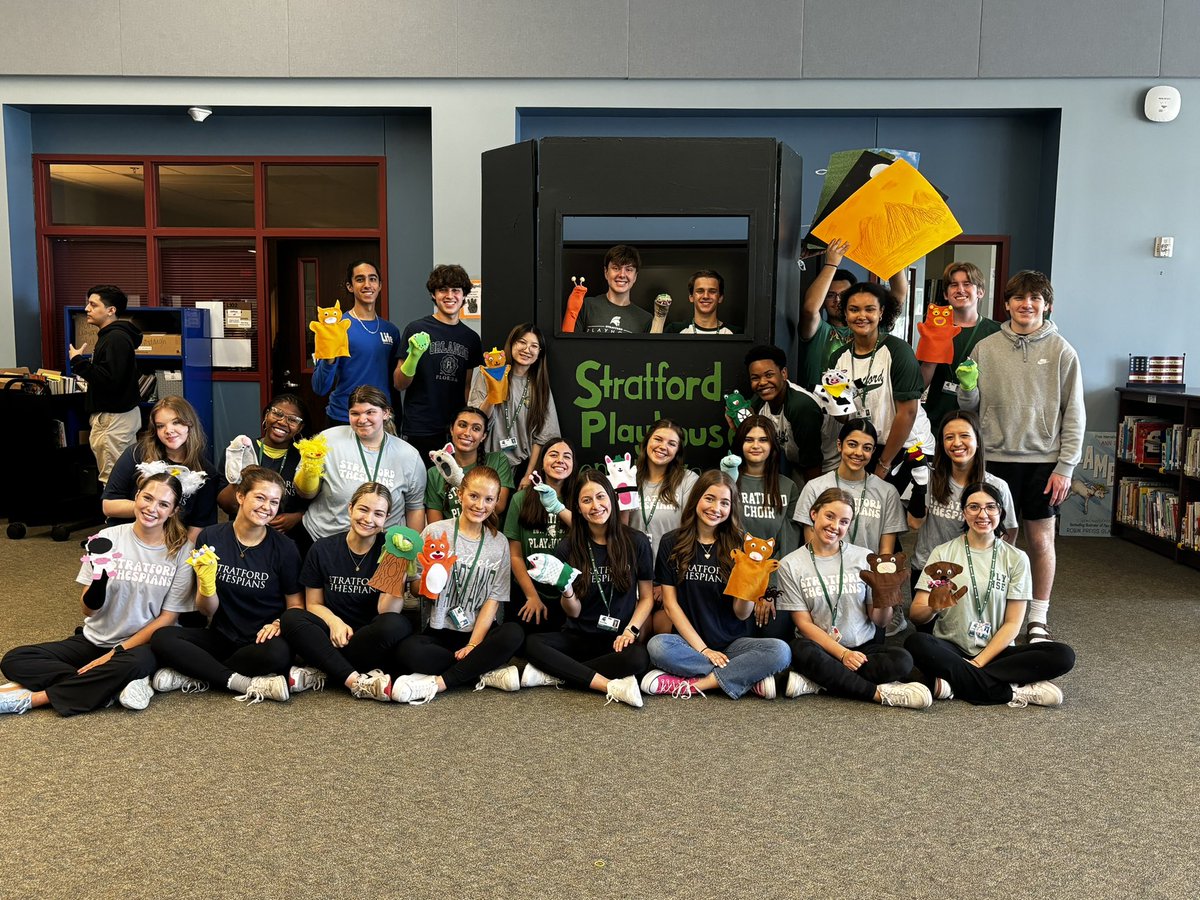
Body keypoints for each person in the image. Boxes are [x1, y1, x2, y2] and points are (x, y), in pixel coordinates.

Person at [957, 270, 1085, 643]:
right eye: (1018, 298)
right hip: (994, 459)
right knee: (998, 541)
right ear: (1007, 304)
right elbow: (970, 405)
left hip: (1044, 463)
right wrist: (966, 388)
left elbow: (1074, 412)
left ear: (1046, 305)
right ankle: (999, 613)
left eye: (1035, 299)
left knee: (1041, 541)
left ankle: (1037, 619)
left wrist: (1066, 467)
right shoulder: (985, 347)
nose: (1026, 305)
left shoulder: (1062, 350)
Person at [0, 472, 194, 716]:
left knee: (136, 663)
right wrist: (99, 583)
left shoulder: (182, 550)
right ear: (136, 496)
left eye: (163, 504)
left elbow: (168, 619)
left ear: (174, 511)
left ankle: (34, 699)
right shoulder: (106, 539)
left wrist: (115, 653)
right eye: (147, 498)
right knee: (16, 659)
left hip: (139, 646)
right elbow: (88, 609)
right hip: (96, 638)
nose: (152, 508)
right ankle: (107, 687)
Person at [906, 483, 1076, 706]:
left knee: (1063, 655)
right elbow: (916, 615)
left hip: (997, 650)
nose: (982, 514)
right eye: (974, 507)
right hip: (951, 647)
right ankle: (1012, 692)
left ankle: (955, 684)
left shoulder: (1016, 558)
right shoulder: (943, 552)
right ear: (964, 513)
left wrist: (978, 663)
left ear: (1000, 512)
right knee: (915, 643)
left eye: (990, 507)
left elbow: (1013, 623)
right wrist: (932, 607)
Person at [150, 467, 303, 704]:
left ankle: (197, 673)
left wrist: (278, 623)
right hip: (221, 636)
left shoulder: (286, 548)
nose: (267, 507)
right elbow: (206, 610)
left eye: (274, 502)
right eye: (260, 497)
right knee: (163, 638)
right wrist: (207, 586)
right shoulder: (210, 538)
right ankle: (240, 681)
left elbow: (295, 605)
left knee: (280, 654)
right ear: (241, 496)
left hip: (260, 641)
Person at [775, 488, 931, 709]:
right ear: (813, 514)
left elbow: (879, 621)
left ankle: (819, 683)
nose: (835, 526)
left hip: (863, 649)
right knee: (800, 651)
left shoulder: (863, 557)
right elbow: (803, 623)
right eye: (829, 516)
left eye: (844, 521)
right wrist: (842, 654)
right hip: (822, 648)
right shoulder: (790, 564)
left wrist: (886, 597)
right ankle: (878, 693)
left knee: (903, 660)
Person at [642, 472, 791, 700]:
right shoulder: (671, 542)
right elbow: (671, 606)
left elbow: (742, 615)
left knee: (781, 651)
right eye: (709, 498)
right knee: (657, 646)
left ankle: (698, 683)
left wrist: (749, 587)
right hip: (690, 644)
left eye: (724, 502)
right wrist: (704, 650)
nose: (715, 508)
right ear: (696, 499)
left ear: (732, 508)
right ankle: (744, 678)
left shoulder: (743, 545)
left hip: (734, 644)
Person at [387, 466, 524, 704]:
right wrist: (429, 585)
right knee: (407, 651)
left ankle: (440, 682)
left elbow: (493, 600)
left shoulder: (499, 542)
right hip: (440, 632)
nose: (480, 505)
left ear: (495, 503)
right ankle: (482, 672)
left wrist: (473, 644)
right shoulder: (434, 531)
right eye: (474, 496)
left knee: (514, 634)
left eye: (489, 499)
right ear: (460, 495)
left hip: (479, 635)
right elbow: (414, 588)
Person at [520, 470, 652, 707]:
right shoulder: (568, 547)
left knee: (640, 658)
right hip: (579, 637)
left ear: (612, 499)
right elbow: (573, 612)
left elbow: (647, 599)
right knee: (532, 644)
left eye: (601, 497)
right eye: (586, 500)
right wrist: (566, 588)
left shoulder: (637, 542)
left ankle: (558, 675)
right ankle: (608, 684)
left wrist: (630, 631)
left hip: (617, 640)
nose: (596, 506)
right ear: (578, 508)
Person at [279, 482, 414, 701]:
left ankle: (326, 668)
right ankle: (356, 680)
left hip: (367, 639)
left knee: (396, 624)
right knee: (291, 618)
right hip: (330, 635)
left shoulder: (391, 551)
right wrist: (334, 622)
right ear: (350, 508)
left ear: (387, 518)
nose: (369, 519)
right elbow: (313, 604)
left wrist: (398, 573)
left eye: (378, 514)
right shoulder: (323, 548)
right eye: (363, 509)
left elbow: (387, 612)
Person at [829, 281, 933, 483]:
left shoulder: (898, 351)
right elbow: (845, 417)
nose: (861, 316)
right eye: (854, 309)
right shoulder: (838, 358)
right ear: (845, 313)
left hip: (907, 447)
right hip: (867, 447)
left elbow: (908, 412)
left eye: (870, 309)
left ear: (881, 313)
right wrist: (835, 402)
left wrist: (883, 465)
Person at [301, 385, 426, 547]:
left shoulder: (409, 456)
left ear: (386, 413)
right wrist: (309, 469)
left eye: (370, 412)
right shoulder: (327, 440)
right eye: (355, 413)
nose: (362, 419)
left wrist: (411, 551)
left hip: (383, 546)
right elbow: (305, 494)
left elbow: (414, 507)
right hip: (324, 539)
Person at [910, 410, 1017, 589]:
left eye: (965, 436)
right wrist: (920, 486)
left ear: (977, 440)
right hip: (928, 569)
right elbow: (914, 523)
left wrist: (996, 568)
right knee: (922, 617)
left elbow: (1007, 533)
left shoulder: (997, 486)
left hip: (975, 572)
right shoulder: (928, 478)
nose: (957, 443)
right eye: (949, 437)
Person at [392, 264, 484, 462]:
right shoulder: (416, 328)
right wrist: (413, 356)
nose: (449, 295)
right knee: (417, 487)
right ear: (434, 294)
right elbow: (399, 383)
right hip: (419, 427)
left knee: (450, 488)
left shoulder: (471, 338)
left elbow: (466, 387)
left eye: (455, 290)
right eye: (443, 290)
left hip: (454, 431)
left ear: (464, 295)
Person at [102, 395, 223, 544]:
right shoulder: (137, 454)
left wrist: (178, 559)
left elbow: (198, 526)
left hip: (173, 545)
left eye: (176, 422)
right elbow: (109, 506)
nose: (168, 430)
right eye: (160, 426)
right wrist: (152, 509)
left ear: (189, 424)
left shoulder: (205, 472)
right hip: (128, 540)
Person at [797, 238, 908, 391]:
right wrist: (832, 263)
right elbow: (810, 309)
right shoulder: (819, 331)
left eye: (843, 295)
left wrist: (891, 253)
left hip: (862, 405)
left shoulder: (867, 327)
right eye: (830, 295)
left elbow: (899, 294)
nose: (837, 300)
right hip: (820, 407)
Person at [730, 416, 800, 641]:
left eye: (763, 440)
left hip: (773, 584)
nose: (756, 445)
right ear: (740, 444)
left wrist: (768, 591)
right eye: (749, 439)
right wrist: (747, 587)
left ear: (772, 446)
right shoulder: (727, 482)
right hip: (732, 581)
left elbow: (788, 546)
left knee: (775, 635)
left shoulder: (788, 487)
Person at [629, 419, 700, 635]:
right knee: (637, 635)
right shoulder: (628, 476)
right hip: (632, 577)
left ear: (678, 450)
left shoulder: (688, 480)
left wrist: (664, 582)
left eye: (671, 443)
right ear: (646, 442)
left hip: (669, 579)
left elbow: (691, 530)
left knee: (663, 633)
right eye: (658, 439)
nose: (663, 447)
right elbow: (617, 530)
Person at [795, 419, 905, 558]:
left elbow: (885, 553)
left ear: (873, 451)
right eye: (852, 445)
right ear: (839, 445)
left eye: (867, 448)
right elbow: (812, 548)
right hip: (827, 576)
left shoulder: (887, 492)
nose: (859, 453)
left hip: (869, 575)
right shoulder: (815, 487)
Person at [68, 284, 143, 486]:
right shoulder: (113, 336)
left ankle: (116, 518)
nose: (86, 309)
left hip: (113, 419)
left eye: (93, 305)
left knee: (113, 479)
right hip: (117, 416)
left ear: (111, 310)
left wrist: (78, 362)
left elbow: (110, 381)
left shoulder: (115, 338)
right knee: (125, 475)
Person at [467, 323, 560, 486]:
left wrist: (529, 474)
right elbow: (475, 420)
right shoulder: (488, 374)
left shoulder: (540, 387)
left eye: (534, 346)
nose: (527, 349)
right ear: (511, 344)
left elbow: (544, 436)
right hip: (487, 460)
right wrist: (494, 390)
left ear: (539, 353)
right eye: (522, 342)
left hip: (523, 465)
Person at [311, 260, 401, 427]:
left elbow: (394, 384)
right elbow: (320, 387)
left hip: (380, 420)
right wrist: (329, 358)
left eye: (372, 279)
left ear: (380, 285)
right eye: (360, 279)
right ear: (350, 286)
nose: (367, 284)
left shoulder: (391, 331)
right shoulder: (336, 328)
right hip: (344, 418)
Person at [504, 438, 576, 636]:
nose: (560, 460)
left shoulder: (580, 500)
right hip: (528, 590)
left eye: (567, 456)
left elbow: (590, 535)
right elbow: (515, 555)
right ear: (542, 462)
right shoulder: (521, 499)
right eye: (553, 454)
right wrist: (532, 596)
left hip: (569, 592)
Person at [217, 393, 311, 541]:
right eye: (277, 413)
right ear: (267, 415)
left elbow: (316, 503)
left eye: (293, 420)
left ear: (300, 427)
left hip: (286, 538)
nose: (282, 422)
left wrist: (298, 517)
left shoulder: (305, 459)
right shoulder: (241, 450)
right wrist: (239, 479)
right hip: (241, 536)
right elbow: (226, 506)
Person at [920, 261, 1000, 429]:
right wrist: (932, 353)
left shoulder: (997, 332)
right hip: (936, 422)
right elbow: (919, 386)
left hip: (979, 424)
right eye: (954, 285)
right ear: (945, 294)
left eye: (967, 284)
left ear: (980, 292)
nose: (960, 290)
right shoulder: (933, 330)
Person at [742, 345, 824, 479]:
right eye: (755, 378)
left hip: (825, 469)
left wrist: (814, 496)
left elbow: (812, 461)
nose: (762, 382)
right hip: (798, 466)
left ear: (784, 373)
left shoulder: (800, 406)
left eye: (769, 375)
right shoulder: (759, 401)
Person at [424, 406, 514, 522]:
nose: (467, 433)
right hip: (450, 537)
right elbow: (435, 523)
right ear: (451, 429)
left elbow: (498, 506)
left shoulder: (498, 460)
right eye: (462, 425)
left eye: (476, 429)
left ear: (483, 436)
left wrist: (459, 481)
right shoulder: (435, 471)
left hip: (486, 535)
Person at [573, 244, 652, 334]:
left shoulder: (645, 319)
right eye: (616, 268)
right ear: (606, 272)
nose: (622, 275)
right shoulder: (586, 306)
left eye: (629, 270)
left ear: (635, 276)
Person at [666, 270, 736, 334]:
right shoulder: (674, 330)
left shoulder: (735, 332)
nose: (706, 296)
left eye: (712, 291)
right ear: (691, 297)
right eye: (700, 291)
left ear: (720, 298)